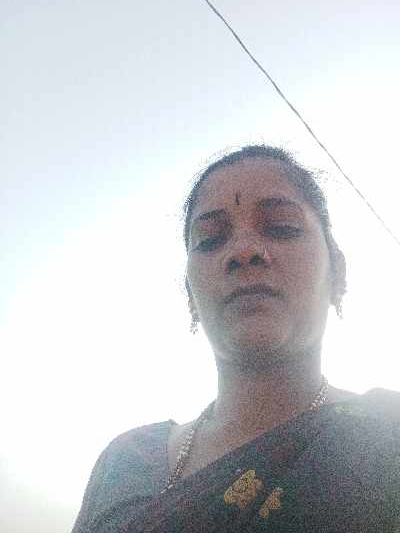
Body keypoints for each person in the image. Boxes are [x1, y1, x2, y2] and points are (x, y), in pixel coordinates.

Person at [71, 145, 400, 533]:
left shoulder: (388, 432)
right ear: (190, 295)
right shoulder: (124, 462)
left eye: (281, 227)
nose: (243, 251)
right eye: (210, 239)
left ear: (337, 270)